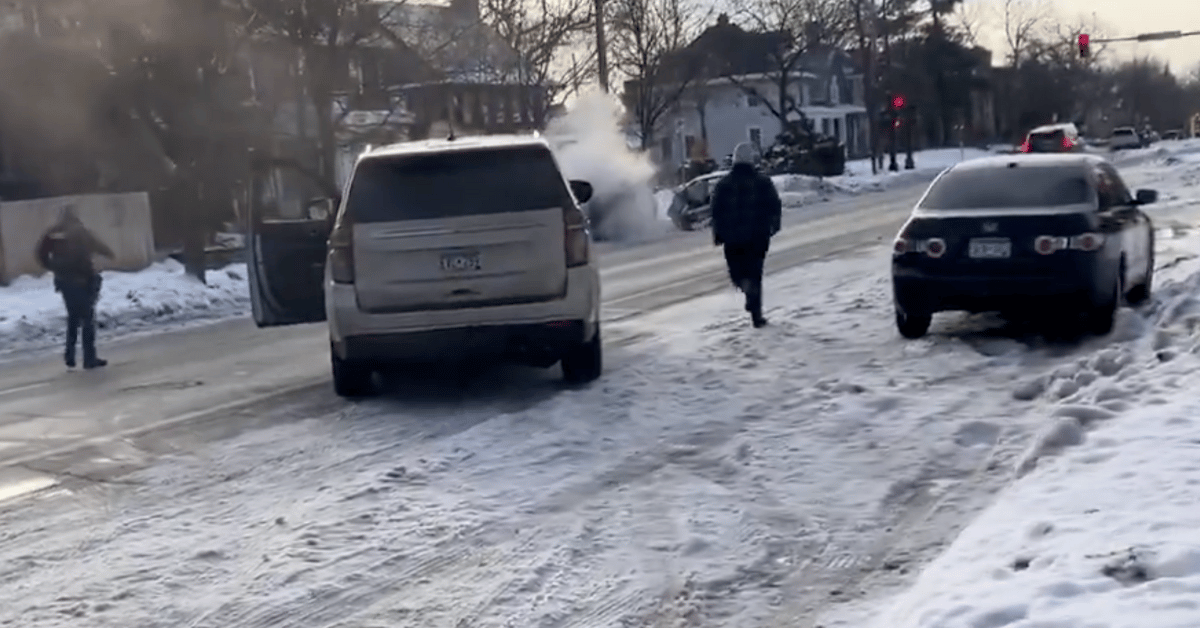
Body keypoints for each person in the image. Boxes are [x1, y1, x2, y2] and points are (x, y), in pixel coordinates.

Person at [710, 142, 782, 328]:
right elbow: (774, 206)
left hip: (732, 239)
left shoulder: (723, 185)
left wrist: (718, 233)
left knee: (737, 273)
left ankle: (746, 290)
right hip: (758, 237)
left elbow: (716, 211)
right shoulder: (763, 182)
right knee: (755, 273)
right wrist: (774, 226)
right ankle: (757, 315)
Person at [36, 206, 114, 369]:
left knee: (73, 318)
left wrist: (53, 267)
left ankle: (70, 355)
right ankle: (89, 358)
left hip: (64, 281)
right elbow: (97, 245)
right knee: (87, 319)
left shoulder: (52, 234)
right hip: (82, 280)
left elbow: (40, 254)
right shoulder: (80, 232)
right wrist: (108, 253)